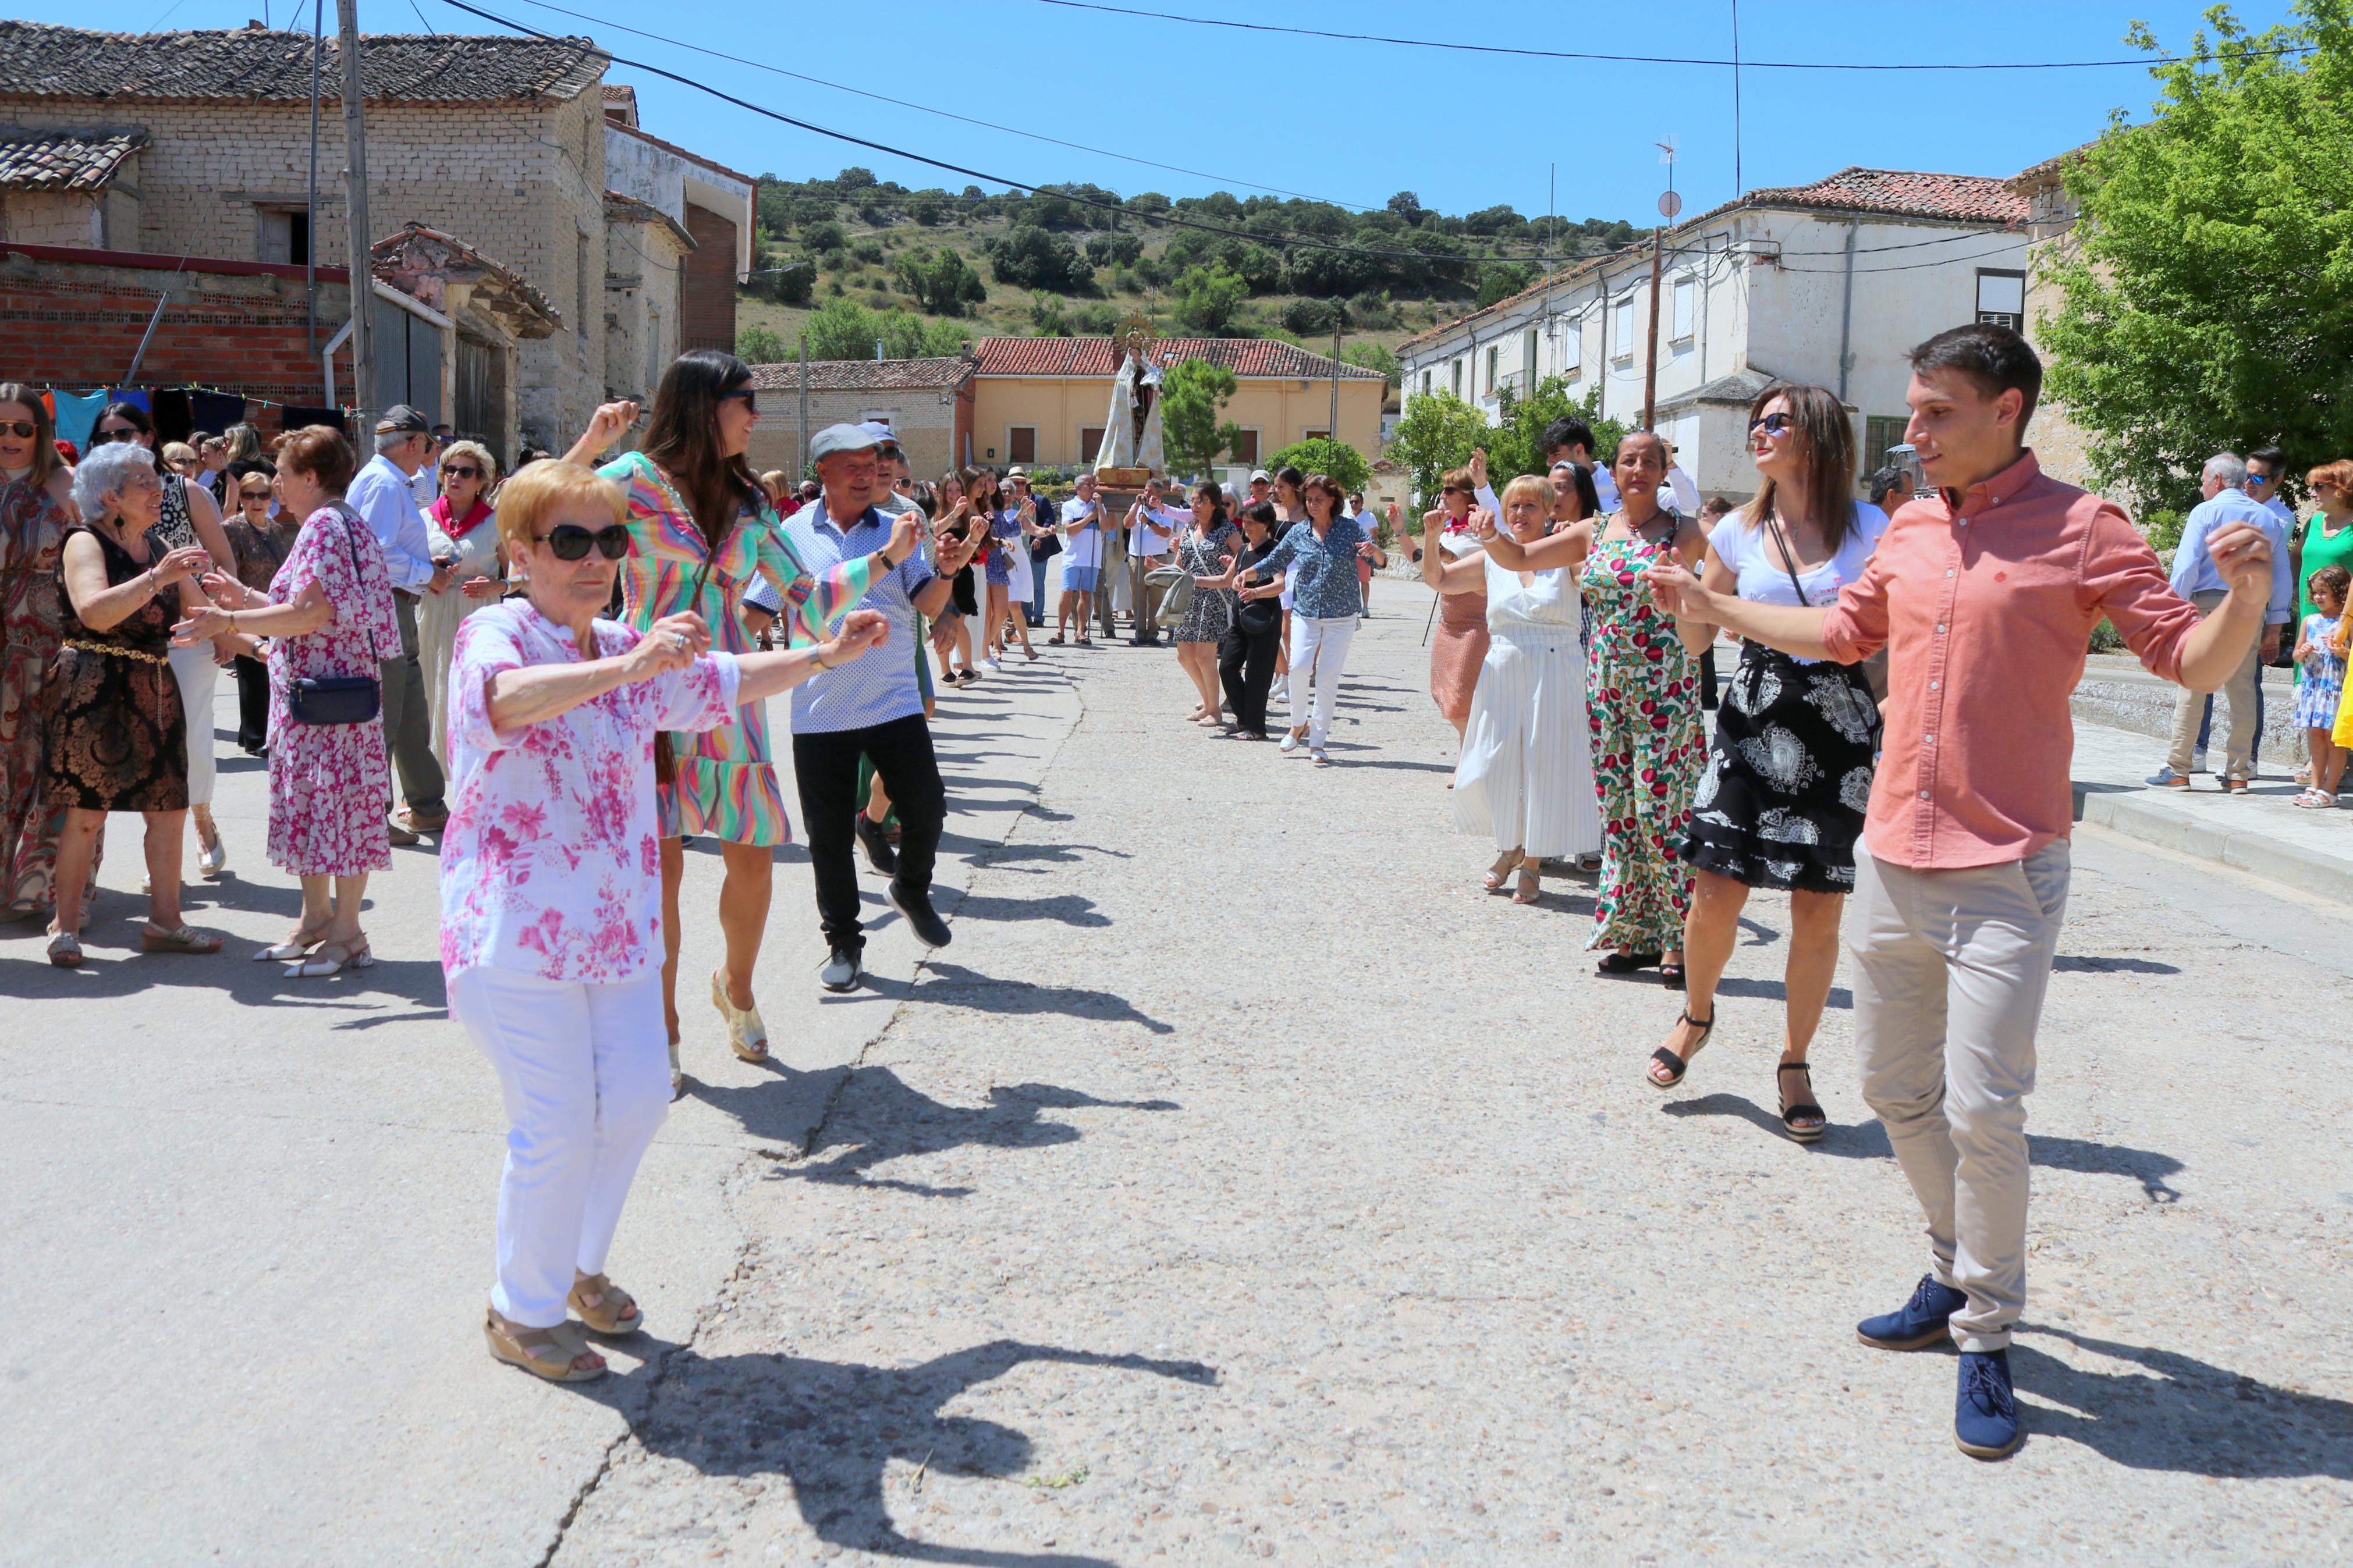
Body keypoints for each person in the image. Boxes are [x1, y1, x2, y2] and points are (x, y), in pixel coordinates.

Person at [1644, 321, 2274, 1462]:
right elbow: (1841, 634)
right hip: (1890, 852)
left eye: (1935, 413)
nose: (1914, 432)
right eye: (1911, 410)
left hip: (2006, 863)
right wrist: (1720, 609)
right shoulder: (1912, 528)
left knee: (1984, 1105)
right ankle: (1950, 1264)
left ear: (2005, 411)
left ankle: (1984, 1331)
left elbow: (2182, 660)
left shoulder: (2084, 527)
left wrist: (2240, 600)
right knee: (1891, 1090)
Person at [437, 460, 888, 1384]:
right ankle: (518, 1309)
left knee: (639, 1095)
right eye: (570, 541)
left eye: (609, 540)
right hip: (515, 930)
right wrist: (630, 661)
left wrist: (821, 657)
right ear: (520, 551)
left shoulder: (616, 638)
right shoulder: (498, 628)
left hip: (612, 930)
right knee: (556, 1120)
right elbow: (502, 702)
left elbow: (719, 678)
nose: (595, 558)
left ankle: (575, 1267)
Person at [568, 354, 900, 1077]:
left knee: (752, 853)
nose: (756, 414)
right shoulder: (630, 480)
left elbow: (806, 598)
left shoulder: (749, 500)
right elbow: (543, 518)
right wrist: (590, 447)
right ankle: (659, 1029)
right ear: (702, 403)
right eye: (745, 400)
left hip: (727, 684)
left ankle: (736, 985)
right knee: (659, 868)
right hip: (647, 683)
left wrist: (878, 565)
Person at [1643, 385, 1887, 1142]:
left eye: (1774, 421)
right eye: (1754, 422)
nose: (1758, 432)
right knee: (1714, 890)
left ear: (1814, 435)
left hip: (1837, 728)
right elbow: (1695, 641)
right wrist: (1676, 603)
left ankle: (1794, 1060)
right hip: (1750, 720)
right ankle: (1695, 1012)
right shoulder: (1739, 532)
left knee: (1816, 909)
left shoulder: (1873, 529)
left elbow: (1881, 640)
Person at [1484, 431, 1706, 980]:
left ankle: (1679, 937)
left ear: (1662, 471)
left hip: (1666, 692)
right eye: (1628, 460)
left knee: (1662, 815)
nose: (1637, 469)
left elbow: (1715, 599)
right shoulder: (1593, 531)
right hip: (1605, 691)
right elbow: (1519, 556)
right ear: (1616, 469)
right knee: (1620, 817)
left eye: (1649, 462)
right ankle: (1632, 935)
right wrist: (1488, 534)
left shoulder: (1687, 532)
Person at [177, 426, 398, 977]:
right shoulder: (331, 522)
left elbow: (311, 614)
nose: (273, 481)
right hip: (320, 697)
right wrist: (244, 597)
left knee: (339, 810)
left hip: (330, 701)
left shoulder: (325, 524)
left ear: (311, 478)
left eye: (282, 472)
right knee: (318, 807)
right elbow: (306, 606)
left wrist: (228, 619)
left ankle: (347, 933)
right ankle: (316, 920)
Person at [776, 422, 981, 994]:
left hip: (892, 699)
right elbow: (768, 607)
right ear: (822, 471)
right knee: (826, 840)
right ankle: (843, 943)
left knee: (928, 807)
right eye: (855, 464)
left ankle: (910, 887)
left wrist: (945, 569)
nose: (869, 473)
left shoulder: (901, 527)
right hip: (820, 708)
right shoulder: (790, 533)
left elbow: (927, 603)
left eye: (876, 462)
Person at [44, 442, 221, 965]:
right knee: (85, 815)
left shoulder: (159, 542)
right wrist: (157, 579)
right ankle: (65, 924)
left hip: (154, 686)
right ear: (109, 496)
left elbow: (203, 610)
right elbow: (94, 612)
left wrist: (254, 633)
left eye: (157, 479)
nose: (159, 488)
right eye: (144, 481)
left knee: (168, 809)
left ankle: (166, 922)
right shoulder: (84, 541)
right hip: (93, 684)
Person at [91, 400, 236, 880]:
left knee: (192, 732)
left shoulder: (184, 490)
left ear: (149, 439)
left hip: (187, 630)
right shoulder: (93, 501)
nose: (119, 443)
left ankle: (200, 820)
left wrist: (225, 624)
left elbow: (223, 561)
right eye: (108, 435)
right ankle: (157, 848)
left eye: (127, 433)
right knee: (129, 744)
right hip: (124, 637)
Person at [1445, 474, 1602, 901]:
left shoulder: (1568, 549)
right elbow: (1439, 579)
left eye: (1531, 506)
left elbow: (1598, 578)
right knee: (1493, 763)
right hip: (1504, 665)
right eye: (1513, 505)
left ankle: (1531, 861)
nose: (1520, 513)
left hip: (1556, 667)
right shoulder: (1494, 556)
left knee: (1543, 767)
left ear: (1550, 510)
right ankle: (1510, 845)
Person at [2147, 453, 2291, 792]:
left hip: (2205, 606)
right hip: (2249, 606)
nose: (2200, 487)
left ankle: (2180, 769)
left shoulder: (2205, 512)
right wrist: (2275, 622)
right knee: (2242, 690)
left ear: (2216, 480)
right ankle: (2239, 773)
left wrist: (2171, 611)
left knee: (2192, 685)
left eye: (2202, 480)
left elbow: (2185, 568)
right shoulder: (2268, 518)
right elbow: (2281, 575)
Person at [345, 404, 450, 842]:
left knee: (408, 710)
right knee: (389, 714)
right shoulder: (385, 484)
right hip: (385, 604)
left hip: (395, 604)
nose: (430, 455)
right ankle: (373, 816)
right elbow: (378, 555)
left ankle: (426, 804)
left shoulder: (390, 481)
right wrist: (430, 574)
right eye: (427, 446)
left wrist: (428, 567)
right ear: (412, 444)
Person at [1233, 472, 1384, 767]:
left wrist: (1376, 552)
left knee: (1327, 677)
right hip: (1305, 611)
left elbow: (1377, 560)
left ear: (1333, 501)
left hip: (1342, 615)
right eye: (1309, 500)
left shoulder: (1350, 529)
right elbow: (1274, 561)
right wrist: (1247, 574)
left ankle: (1317, 741)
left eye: (1319, 499)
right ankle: (1298, 724)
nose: (1313, 504)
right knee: (1299, 668)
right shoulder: (1299, 532)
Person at [0, 384, 76, 919]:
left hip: (51, 650)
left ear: (41, 433)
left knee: (47, 764)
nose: (10, 438)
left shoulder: (64, 487)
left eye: (21, 428)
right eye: (0, 428)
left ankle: (43, 891)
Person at [418, 440, 506, 769]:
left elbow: (522, 576)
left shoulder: (496, 522)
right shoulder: (422, 519)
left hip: (477, 617)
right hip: (432, 612)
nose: (455, 477)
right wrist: (429, 570)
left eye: (465, 472)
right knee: (428, 691)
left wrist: (496, 585)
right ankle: (423, 786)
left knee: (470, 695)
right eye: (449, 470)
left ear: (481, 480)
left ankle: (473, 778)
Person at [218, 465, 303, 756]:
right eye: (249, 495)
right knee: (253, 677)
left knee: (269, 675)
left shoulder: (276, 528)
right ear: (240, 498)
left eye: (263, 495)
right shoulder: (232, 529)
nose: (257, 501)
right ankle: (256, 739)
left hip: (273, 609)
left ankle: (250, 733)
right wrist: (228, 624)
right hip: (245, 610)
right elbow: (227, 574)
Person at [1417, 465, 1489, 741]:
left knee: (1460, 701)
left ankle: (1470, 759)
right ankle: (1466, 756)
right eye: (1442, 490)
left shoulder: (1480, 533)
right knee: (1444, 695)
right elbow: (1422, 564)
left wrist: (1442, 552)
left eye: (1449, 490)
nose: (1443, 495)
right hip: (1449, 624)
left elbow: (1454, 568)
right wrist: (1402, 531)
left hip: (1476, 623)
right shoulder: (1451, 531)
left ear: (1468, 496)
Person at [1208, 501, 1284, 741]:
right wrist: (1190, 580)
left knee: (1257, 675)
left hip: (1265, 619)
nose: (1246, 527)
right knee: (1227, 668)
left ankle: (1257, 728)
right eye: (1245, 522)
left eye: (1251, 522)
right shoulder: (1242, 551)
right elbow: (1226, 580)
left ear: (1265, 524)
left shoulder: (1275, 549)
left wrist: (1256, 593)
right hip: (1241, 620)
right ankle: (1244, 721)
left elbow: (1281, 584)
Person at [1169, 481, 1238, 723]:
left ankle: (1215, 711)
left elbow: (1243, 558)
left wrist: (1232, 563)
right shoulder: (1188, 528)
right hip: (1188, 598)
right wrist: (1159, 568)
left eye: (1201, 501)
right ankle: (1209, 702)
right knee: (1184, 656)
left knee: (1204, 657)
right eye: (1193, 500)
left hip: (1214, 597)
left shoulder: (1226, 529)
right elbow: (1179, 566)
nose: (1195, 505)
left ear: (1214, 504)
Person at [2291, 565, 2348, 806]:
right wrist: (2302, 652)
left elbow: (2351, 657)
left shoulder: (2346, 624)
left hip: (2334, 688)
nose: (2318, 597)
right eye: (2315, 593)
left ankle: (2330, 789)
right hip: (2313, 688)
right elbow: (2295, 654)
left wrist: (2343, 651)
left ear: (2340, 592)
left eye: (2324, 592)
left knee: (2332, 739)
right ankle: (2315, 785)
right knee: (2314, 736)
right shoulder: (2309, 621)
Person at [982, 467, 1039, 668]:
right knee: (987, 612)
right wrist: (1001, 542)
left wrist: (1023, 511)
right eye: (987, 480)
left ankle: (984, 650)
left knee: (1000, 612)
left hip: (997, 561)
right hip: (982, 561)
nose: (991, 483)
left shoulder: (996, 508)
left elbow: (1008, 529)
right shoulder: (977, 506)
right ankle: (986, 651)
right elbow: (982, 535)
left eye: (993, 480)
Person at [1124, 478, 1183, 641]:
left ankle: (1153, 633)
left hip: (1157, 558)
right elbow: (1127, 524)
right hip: (1137, 558)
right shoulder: (1137, 508)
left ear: (1159, 494)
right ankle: (1140, 633)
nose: (1146, 493)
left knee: (1156, 598)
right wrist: (1136, 506)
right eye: (1145, 490)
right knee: (1138, 597)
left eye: (1150, 491)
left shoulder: (1165, 511)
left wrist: (1148, 521)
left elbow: (1165, 532)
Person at [1054, 472, 1109, 644]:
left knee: (1086, 594)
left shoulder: (1098, 506)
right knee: (1067, 593)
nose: (1093, 487)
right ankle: (1060, 632)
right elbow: (1070, 530)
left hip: (1091, 559)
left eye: (1093, 485)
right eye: (1089, 485)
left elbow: (1105, 527)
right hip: (1073, 557)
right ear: (1078, 488)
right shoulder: (1069, 506)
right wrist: (1089, 518)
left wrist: (1099, 508)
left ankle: (1080, 631)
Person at [1008, 467, 1056, 628]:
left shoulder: (1033, 503)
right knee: (1010, 592)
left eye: (1022, 483)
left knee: (1032, 586)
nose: (1020, 486)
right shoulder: (1003, 504)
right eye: (1016, 483)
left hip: (1028, 554)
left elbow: (1031, 528)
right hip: (1006, 555)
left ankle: (1033, 619)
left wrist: (1045, 532)